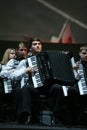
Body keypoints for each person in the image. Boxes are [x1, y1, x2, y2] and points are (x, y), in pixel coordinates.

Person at [5, 37, 67, 126]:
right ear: (30, 48)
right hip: (36, 87)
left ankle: (57, 117)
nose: (37, 45)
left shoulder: (49, 57)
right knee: (26, 88)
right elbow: (13, 76)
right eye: (35, 44)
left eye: (39, 44)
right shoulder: (26, 61)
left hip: (48, 87)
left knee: (57, 87)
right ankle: (25, 114)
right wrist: (25, 71)